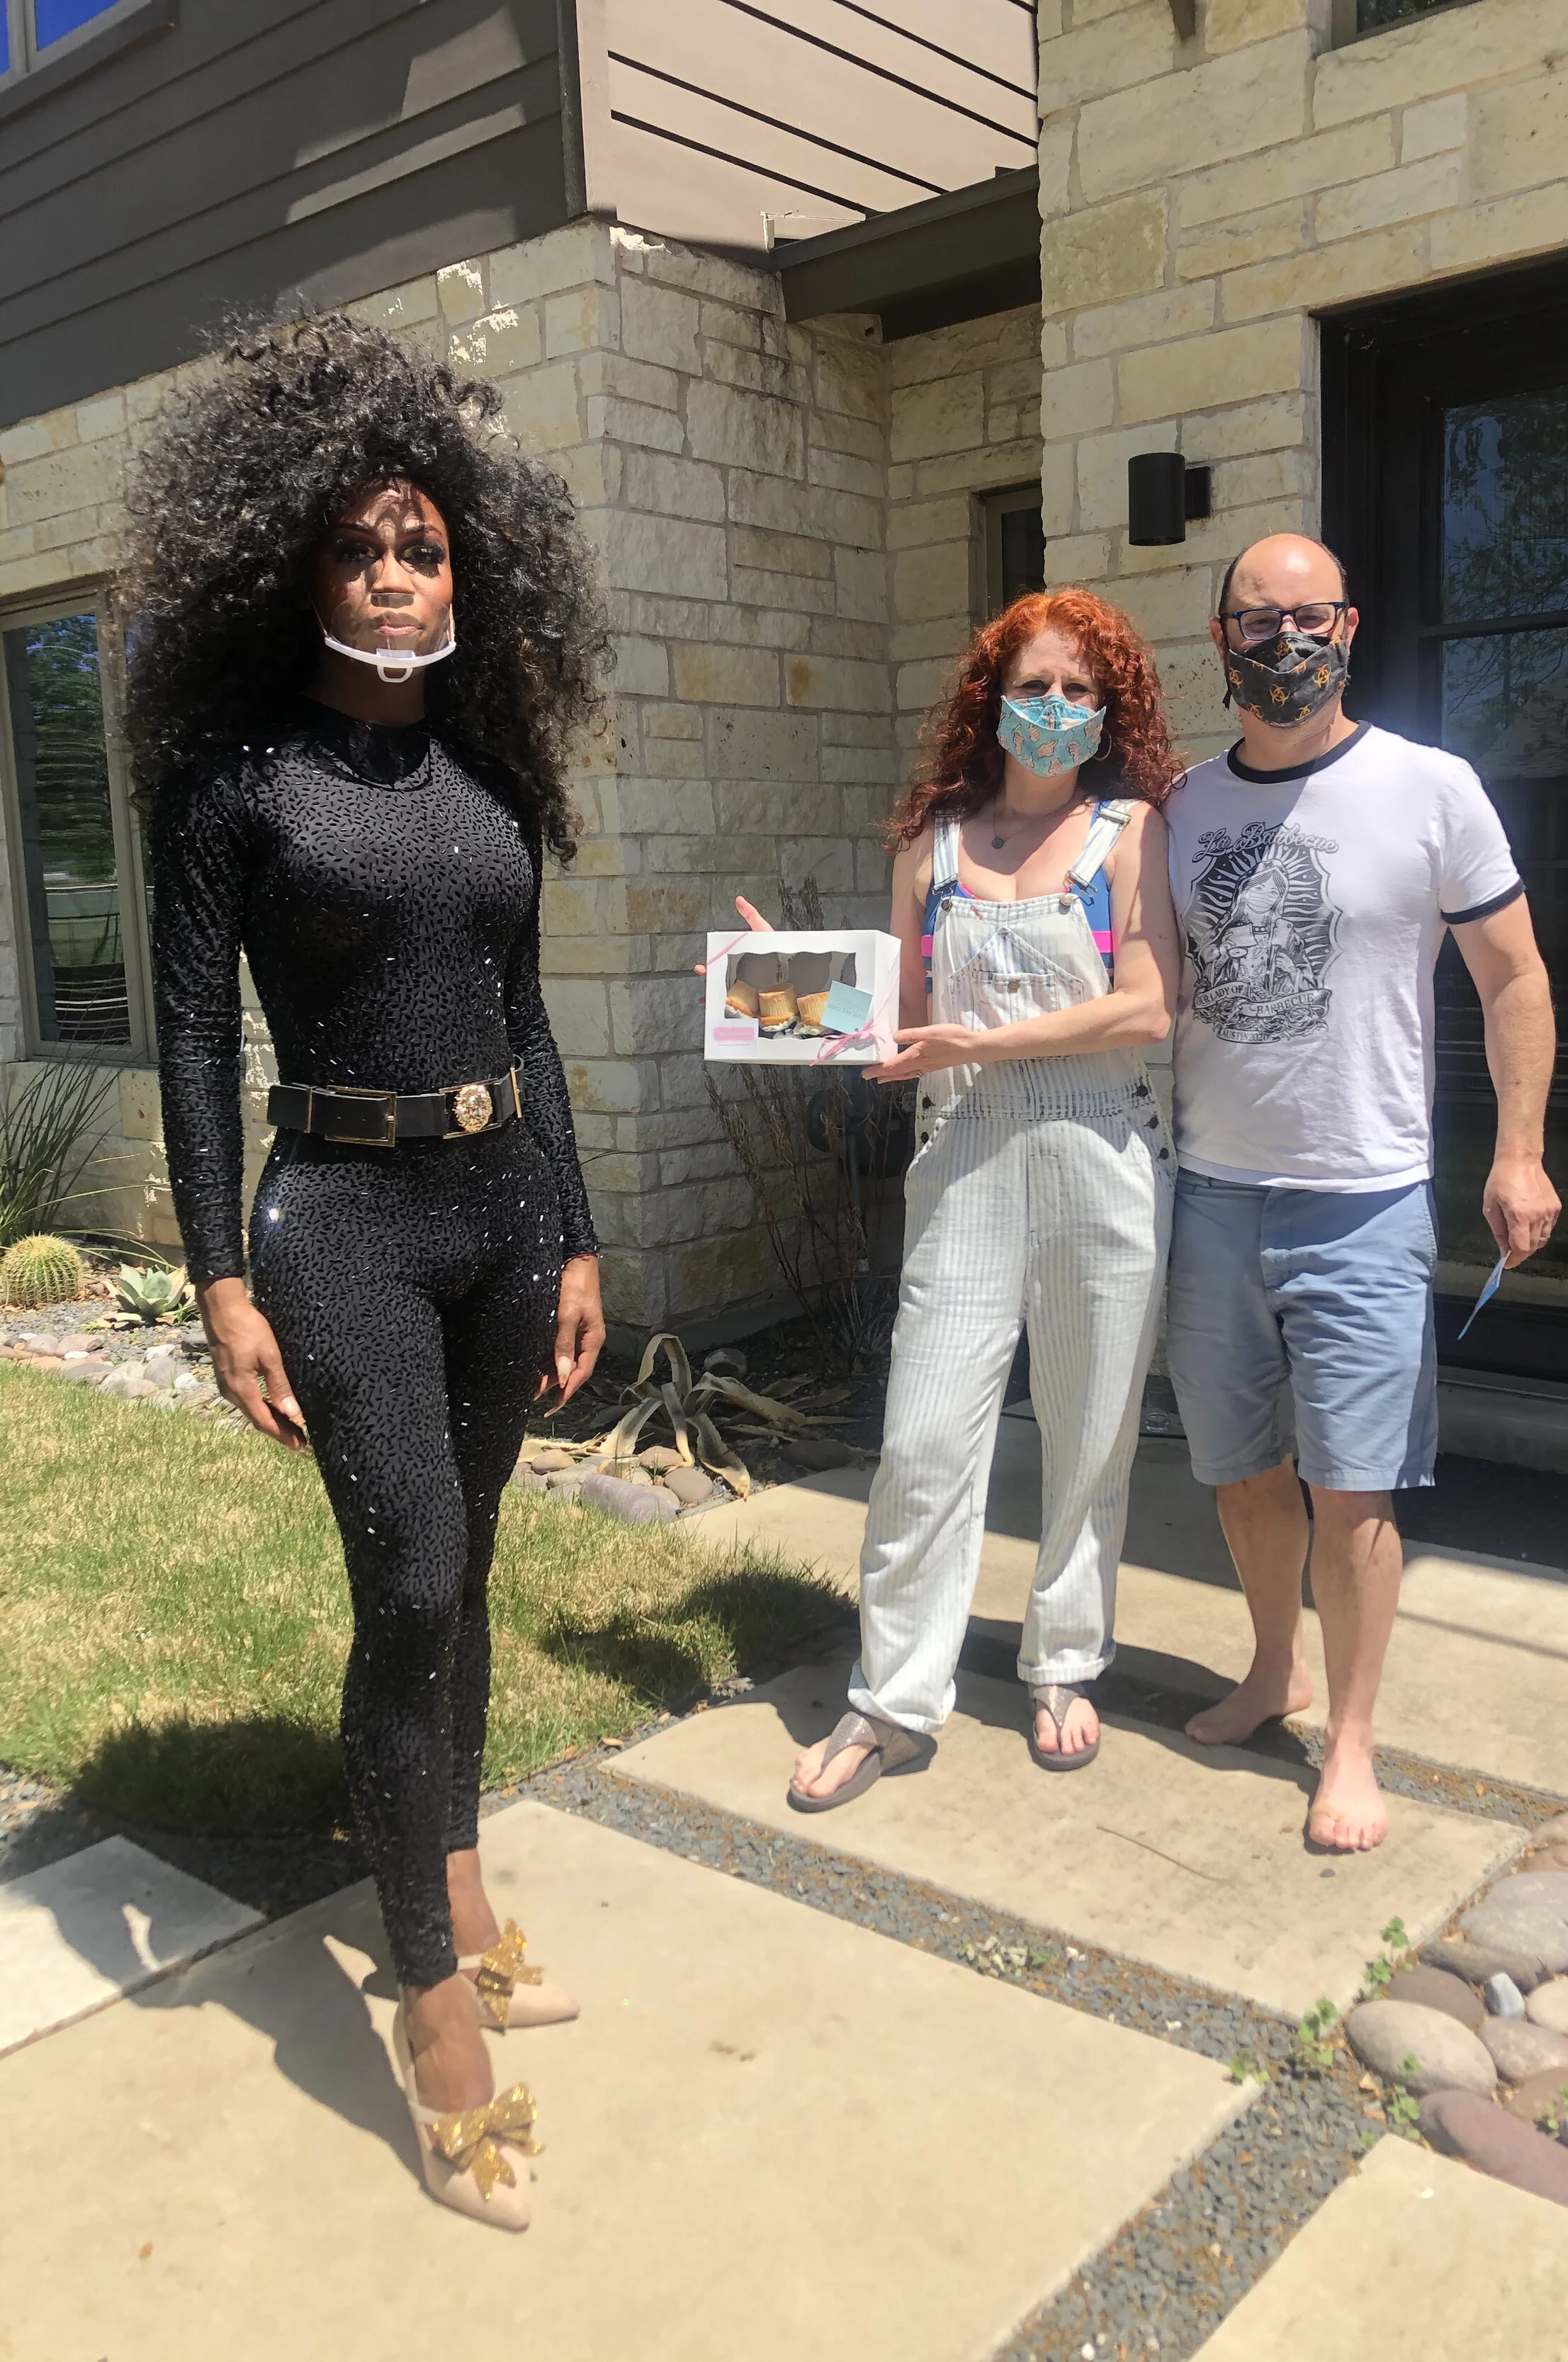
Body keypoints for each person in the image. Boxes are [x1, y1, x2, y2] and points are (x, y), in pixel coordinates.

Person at [125, 318, 610, 2230]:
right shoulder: (235, 784)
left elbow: (532, 1017)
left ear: (463, 569)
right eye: (361, 547)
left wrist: (571, 1229)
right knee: (406, 1568)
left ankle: (462, 1879)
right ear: (295, 567)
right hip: (334, 1217)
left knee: (464, 1571)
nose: (399, 576)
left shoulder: (491, 779)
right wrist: (218, 1284)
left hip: (498, 1217)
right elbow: (181, 1045)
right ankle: (429, 1996)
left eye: (424, 547)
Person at [1164, 532, 1559, 1852]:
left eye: (1309, 614)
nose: (1286, 639)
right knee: (1239, 1472)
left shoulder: (1431, 789)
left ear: (1349, 625)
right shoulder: (1183, 808)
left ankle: (1349, 1740)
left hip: (1366, 1198)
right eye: (1258, 618)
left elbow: (1513, 978)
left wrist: (1519, 1151)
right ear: (1221, 639)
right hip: (1212, 1195)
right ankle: (1271, 1671)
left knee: (1358, 1488)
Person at [777, 587, 1184, 1806]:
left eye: (1079, 692)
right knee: (921, 1441)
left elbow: (1150, 1010)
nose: (1053, 709)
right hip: (961, 1165)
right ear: (990, 699)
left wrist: (984, 1043)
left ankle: (1065, 1660)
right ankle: (893, 1699)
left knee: (1090, 1430)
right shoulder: (932, 848)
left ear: (1106, 711)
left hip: (1102, 1156)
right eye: (1034, 686)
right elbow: (896, 1030)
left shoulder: (1131, 834)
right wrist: (779, 983)